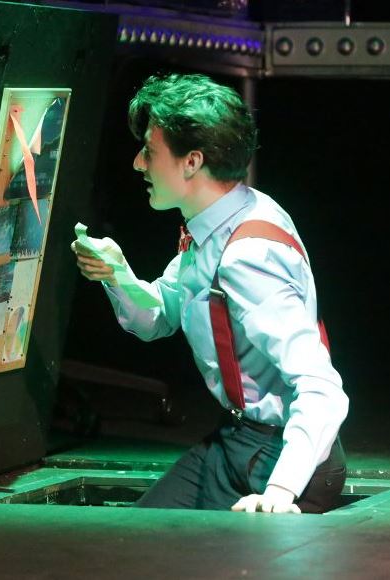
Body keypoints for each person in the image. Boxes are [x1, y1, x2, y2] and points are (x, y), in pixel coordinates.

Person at [71, 73, 348, 514]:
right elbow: (159, 317)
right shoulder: (216, 223)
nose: (138, 164)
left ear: (192, 162)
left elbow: (321, 386)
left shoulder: (247, 255)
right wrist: (117, 275)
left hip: (282, 458)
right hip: (235, 441)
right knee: (131, 538)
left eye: (150, 151)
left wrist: (280, 492)